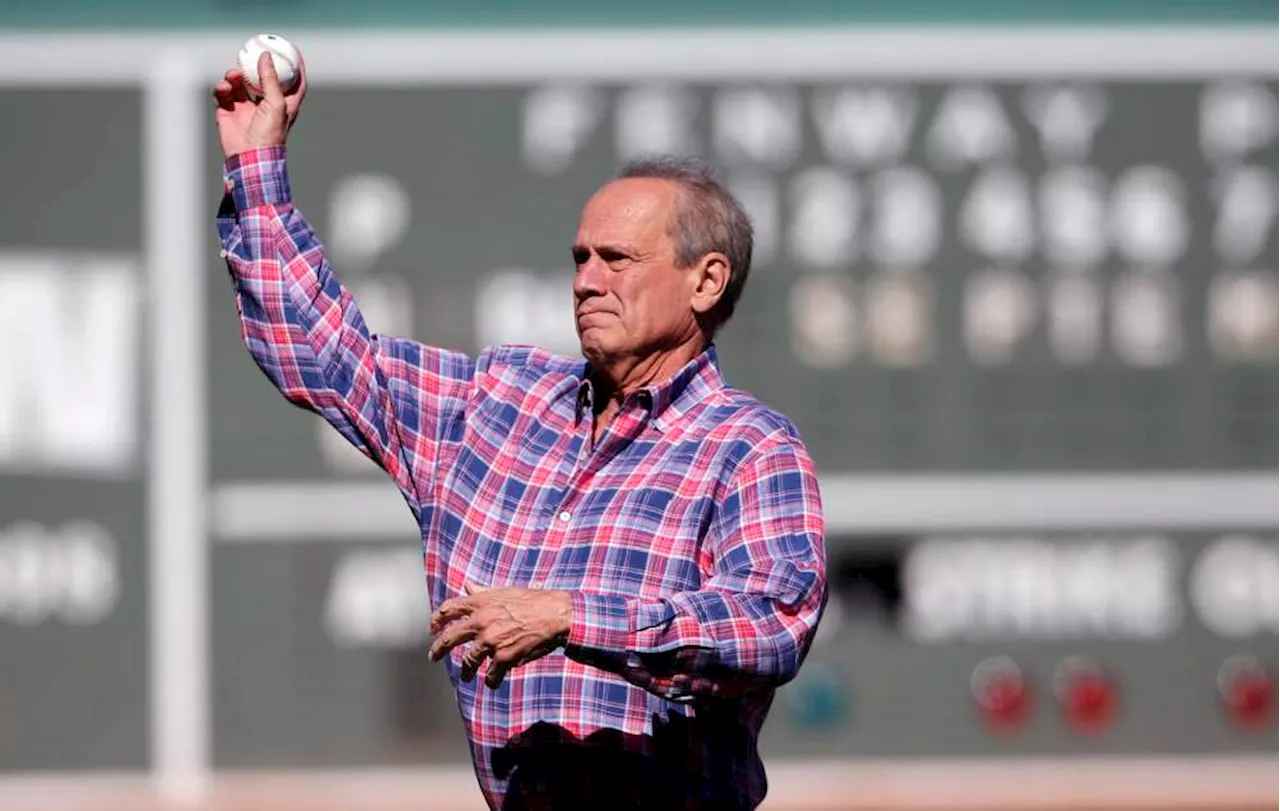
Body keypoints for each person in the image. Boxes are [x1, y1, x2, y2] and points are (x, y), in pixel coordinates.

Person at [213, 51, 827, 811]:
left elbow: (768, 624)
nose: (586, 278)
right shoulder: (499, 404)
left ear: (705, 280)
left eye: (618, 259)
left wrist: (570, 616)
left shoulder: (749, 447)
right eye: (580, 258)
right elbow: (330, 354)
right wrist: (255, 163)